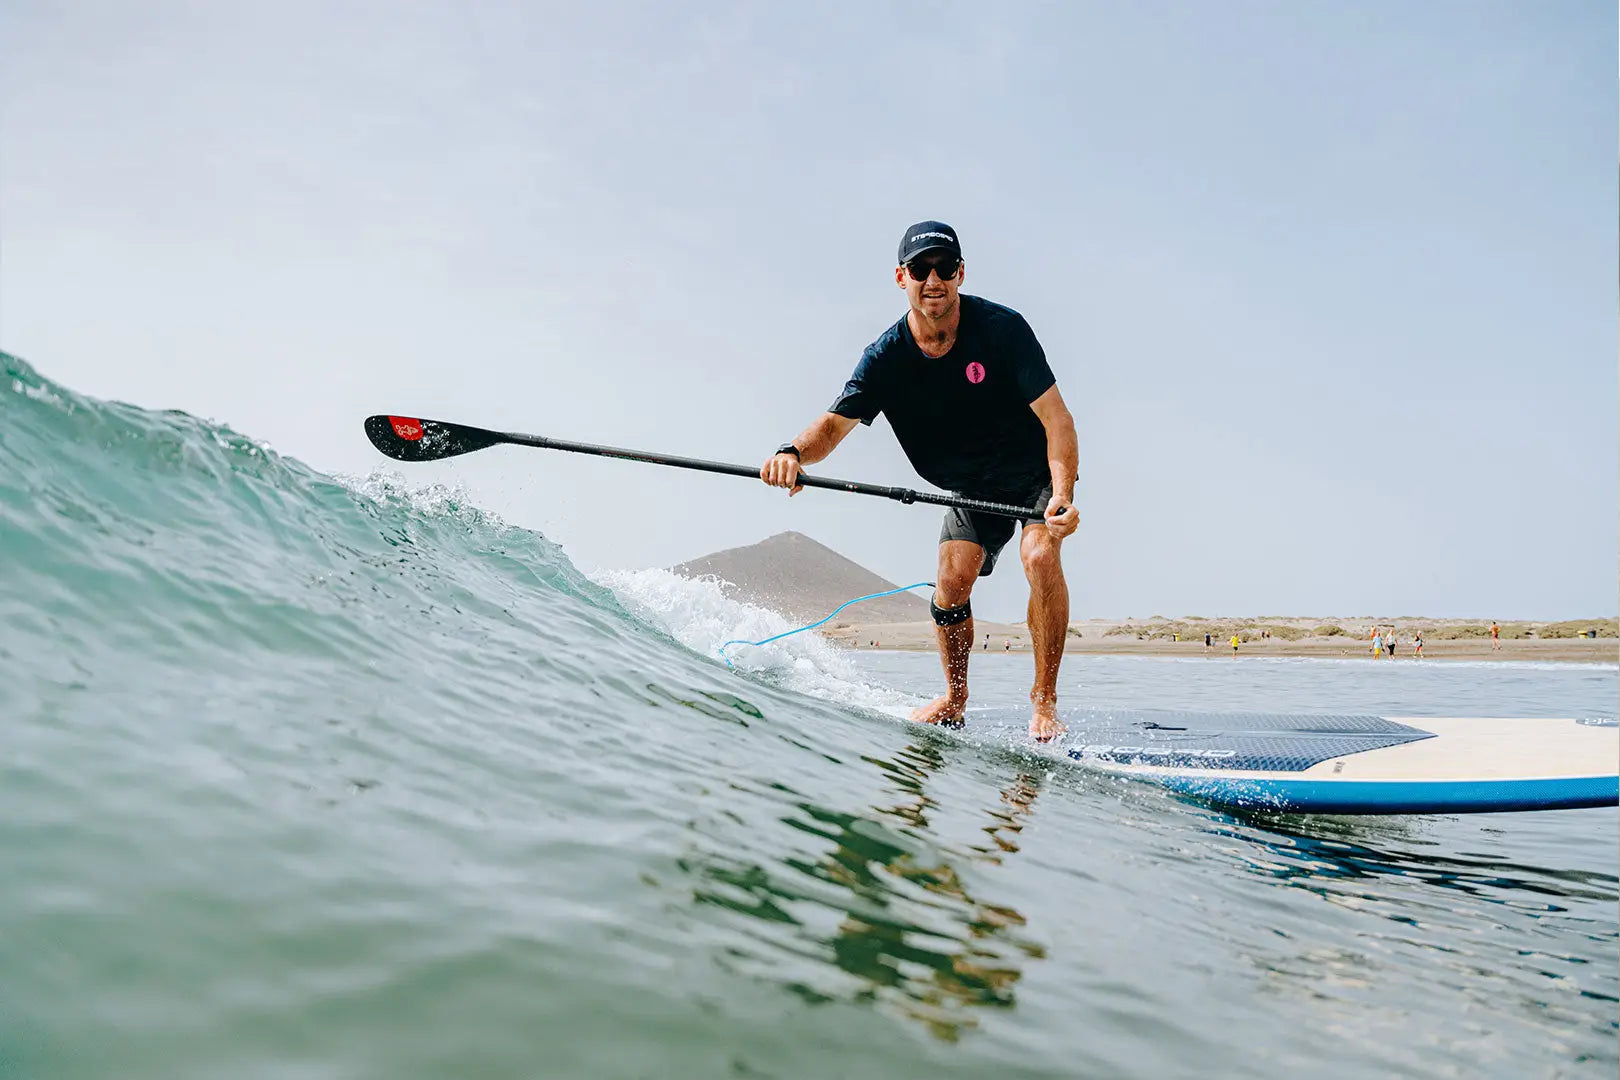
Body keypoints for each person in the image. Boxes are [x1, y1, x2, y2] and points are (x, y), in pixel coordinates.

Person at [762, 220, 1080, 741]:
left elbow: (1058, 420)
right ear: (900, 277)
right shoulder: (886, 356)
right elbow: (833, 425)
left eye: (944, 268)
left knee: (1040, 556)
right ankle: (955, 699)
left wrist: (1062, 494)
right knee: (952, 582)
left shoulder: (1002, 329)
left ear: (960, 273)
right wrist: (792, 452)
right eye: (920, 269)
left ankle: (1044, 702)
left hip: (1033, 474)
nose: (933, 280)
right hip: (970, 488)